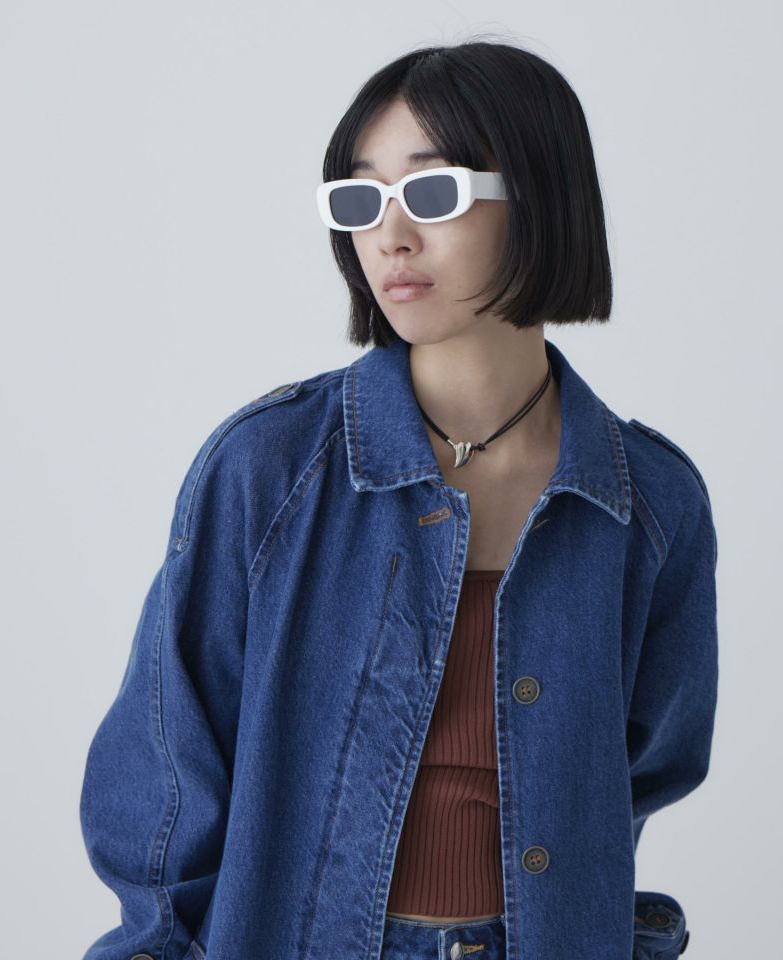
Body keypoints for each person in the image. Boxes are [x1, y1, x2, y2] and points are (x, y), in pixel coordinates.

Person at [79, 39, 717, 960]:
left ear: (541, 194)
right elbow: (164, 770)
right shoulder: (270, 471)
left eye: (432, 191)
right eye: (361, 199)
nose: (390, 235)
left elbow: (642, 773)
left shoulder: (649, 502)